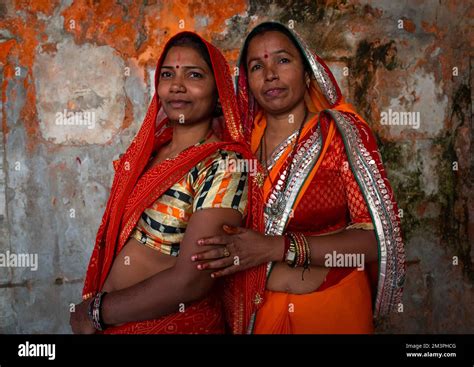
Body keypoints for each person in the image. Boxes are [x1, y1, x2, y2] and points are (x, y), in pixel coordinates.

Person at [192, 22, 406, 334]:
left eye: (282, 60)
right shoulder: (236, 143)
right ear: (247, 82)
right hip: (252, 313)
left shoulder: (341, 134)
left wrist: (276, 248)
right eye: (257, 66)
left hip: (332, 309)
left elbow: (375, 241)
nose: (270, 75)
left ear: (308, 73)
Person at [69, 32, 265, 334]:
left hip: (175, 325)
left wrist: (97, 312)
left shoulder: (224, 164)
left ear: (218, 93)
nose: (177, 86)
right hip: (118, 321)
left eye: (194, 75)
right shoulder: (151, 152)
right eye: (167, 74)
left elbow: (193, 280)